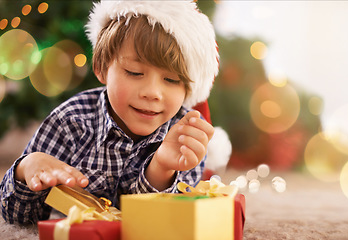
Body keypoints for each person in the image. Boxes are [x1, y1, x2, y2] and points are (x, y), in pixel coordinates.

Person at [0, 0, 220, 224]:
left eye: (171, 79)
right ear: (102, 69)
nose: (153, 92)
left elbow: (165, 226)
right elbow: (18, 218)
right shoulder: (69, 122)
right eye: (134, 72)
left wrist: (161, 168)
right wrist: (26, 168)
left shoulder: (185, 135)